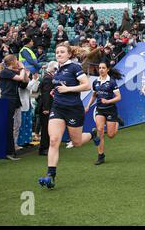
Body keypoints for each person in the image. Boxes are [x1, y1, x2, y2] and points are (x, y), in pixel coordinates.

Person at [38, 43, 99, 189]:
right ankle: (50, 176)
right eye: (57, 52)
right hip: (58, 108)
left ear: (69, 54)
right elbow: (59, 85)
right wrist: (56, 91)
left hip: (73, 109)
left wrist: (67, 89)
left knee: (77, 142)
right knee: (53, 141)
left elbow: (86, 85)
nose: (58, 54)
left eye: (62, 52)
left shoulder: (74, 67)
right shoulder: (57, 69)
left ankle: (92, 134)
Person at [85, 61, 123, 165]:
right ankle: (101, 156)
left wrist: (108, 101)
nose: (101, 69)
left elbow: (119, 97)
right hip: (100, 109)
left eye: (103, 68)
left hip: (110, 109)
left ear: (107, 69)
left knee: (110, 135)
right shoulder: (95, 82)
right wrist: (88, 106)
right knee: (100, 130)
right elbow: (93, 95)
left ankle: (117, 121)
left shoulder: (112, 82)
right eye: (100, 68)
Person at [0, 54, 28, 160]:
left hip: (14, 100)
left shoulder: (12, 72)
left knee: (14, 124)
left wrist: (24, 72)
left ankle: (11, 150)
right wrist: (23, 68)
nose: (18, 61)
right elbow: (20, 78)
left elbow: (24, 81)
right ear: (12, 61)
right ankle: (9, 151)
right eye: (16, 60)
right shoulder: (5, 72)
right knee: (9, 126)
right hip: (8, 99)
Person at [38, 61, 58, 156]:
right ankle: (43, 148)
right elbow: (46, 94)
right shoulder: (48, 78)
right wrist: (46, 108)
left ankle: (46, 146)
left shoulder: (48, 77)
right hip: (46, 106)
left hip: (49, 105)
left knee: (48, 127)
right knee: (46, 127)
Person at [17, 71, 40, 146]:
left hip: (28, 104)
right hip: (22, 105)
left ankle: (27, 141)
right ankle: (21, 142)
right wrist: (34, 80)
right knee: (22, 124)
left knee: (28, 123)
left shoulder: (28, 80)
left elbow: (34, 89)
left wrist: (35, 80)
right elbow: (28, 86)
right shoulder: (20, 81)